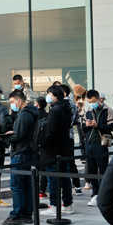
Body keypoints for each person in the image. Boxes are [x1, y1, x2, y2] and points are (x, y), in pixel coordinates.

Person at [3, 89, 39, 225]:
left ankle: (17, 214)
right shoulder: (31, 112)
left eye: (12, 102)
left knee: (17, 185)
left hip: (21, 152)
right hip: (27, 151)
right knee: (25, 185)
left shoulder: (24, 115)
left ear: (19, 100)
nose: (12, 104)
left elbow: (19, 136)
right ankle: (26, 213)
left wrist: (5, 137)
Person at [42, 85, 73, 214]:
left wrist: (43, 143)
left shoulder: (55, 110)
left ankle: (54, 205)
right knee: (64, 177)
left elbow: (51, 131)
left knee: (53, 178)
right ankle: (67, 204)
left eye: (49, 93)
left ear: (55, 95)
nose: (48, 95)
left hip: (53, 149)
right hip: (63, 148)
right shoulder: (66, 108)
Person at [82, 90, 113, 207]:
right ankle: (95, 194)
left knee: (103, 168)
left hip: (101, 144)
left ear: (99, 99)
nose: (92, 103)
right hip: (89, 144)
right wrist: (86, 125)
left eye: (94, 101)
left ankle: (105, 193)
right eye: (90, 101)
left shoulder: (107, 110)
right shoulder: (88, 111)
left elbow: (112, 126)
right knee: (91, 169)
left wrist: (98, 126)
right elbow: (83, 128)